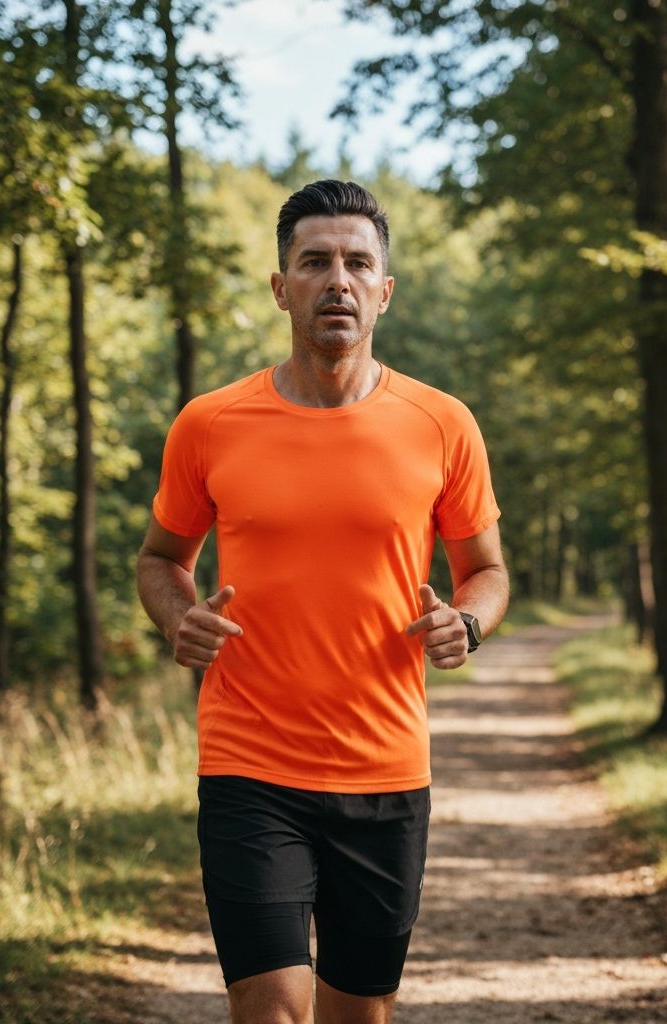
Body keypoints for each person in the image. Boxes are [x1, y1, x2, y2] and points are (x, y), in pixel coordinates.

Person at [136, 179, 508, 1024]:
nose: (336, 279)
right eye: (314, 262)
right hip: (248, 765)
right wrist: (176, 618)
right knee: (270, 1009)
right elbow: (161, 558)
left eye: (356, 262)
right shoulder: (211, 423)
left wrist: (468, 621)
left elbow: (487, 570)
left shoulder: (442, 423)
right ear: (281, 287)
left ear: (385, 290)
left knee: (356, 1013)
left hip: (385, 766)